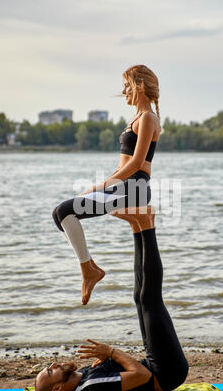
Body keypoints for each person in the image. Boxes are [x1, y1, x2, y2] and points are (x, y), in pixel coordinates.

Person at [35, 210, 189, 391]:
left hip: (155, 365)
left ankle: (138, 225)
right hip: (166, 373)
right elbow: (142, 376)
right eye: (50, 371)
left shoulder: (83, 376)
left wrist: (108, 359)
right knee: (150, 300)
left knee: (140, 298)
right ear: (57, 387)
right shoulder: (93, 388)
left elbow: (123, 371)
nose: (54, 364)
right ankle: (147, 225)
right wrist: (111, 353)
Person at [52, 65, 162, 305]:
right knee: (59, 214)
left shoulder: (148, 118)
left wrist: (99, 187)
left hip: (135, 188)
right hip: (122, 186)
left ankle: (89, 271)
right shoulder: (135, 119)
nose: (124, 91)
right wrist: (102, 186)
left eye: (127, 85)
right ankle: (89, 267)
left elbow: (136, 163)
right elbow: (123, 164)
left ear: (140, 85)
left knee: (64, 211)